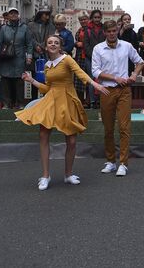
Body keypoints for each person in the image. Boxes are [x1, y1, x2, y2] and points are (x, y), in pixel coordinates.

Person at [16, 35, 108, 189]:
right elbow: (48, 88)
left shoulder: (66, 60)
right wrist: (32, 81)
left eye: (56, 43)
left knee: (71, 141)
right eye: (50, 42)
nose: (53, 44)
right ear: (46, 46)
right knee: (43, 135)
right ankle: (45, 175)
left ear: (60, 46)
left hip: (67, 101)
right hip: (51, 101)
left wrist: (94, 84)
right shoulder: (47, 65)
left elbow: (80, 72)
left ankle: (68, 174)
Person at [92, 20, 144, 177]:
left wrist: (134, 74)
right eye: (109, 31)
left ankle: (123, 163)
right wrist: (115, 78)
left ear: (117, 30)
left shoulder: (126, 46)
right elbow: (95, 71)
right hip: (106, 90)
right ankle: (110, 161)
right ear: (104, 33)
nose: (112, 34)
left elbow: (140, 62)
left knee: (124, 127)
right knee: (108, 128)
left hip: (124, 90)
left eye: (114, 31)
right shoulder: (98, 48)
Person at [0, 7, 34, 109]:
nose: (13, 15)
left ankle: (20, 103)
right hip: (6, 57)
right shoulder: (3, 28)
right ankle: (6, 103)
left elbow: (29, 44)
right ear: (8, 15)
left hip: (19, 57)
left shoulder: (24, 28)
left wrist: (29, 56)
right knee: (5, 80)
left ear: (18, 15)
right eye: (11, 13)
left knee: (19, 80)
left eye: (15, 13)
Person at [84, 9, 105, 109]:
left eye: (98, 17)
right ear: (92, 18)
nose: (97, 19)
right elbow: (86, 44)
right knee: (92, 79)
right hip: (90, 58)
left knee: (102, 78)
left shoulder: (104, 28)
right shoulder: (87, 29)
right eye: (95, 17)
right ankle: (92, 101)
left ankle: (101, 101)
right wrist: (93, 55)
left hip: (103, 58)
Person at [74, 11, 90, 105]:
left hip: (88, 56)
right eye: (81, 20)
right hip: (79, 56)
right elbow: (76, 42)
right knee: (79, 79)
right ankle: (80, 101)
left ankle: (88, 100)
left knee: (88, 78)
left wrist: (83, 44)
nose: (83, 21)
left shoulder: (91, 29)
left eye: (84, 19)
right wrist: (76, 44)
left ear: (88, 19)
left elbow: (92, 42)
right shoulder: (79, 30)